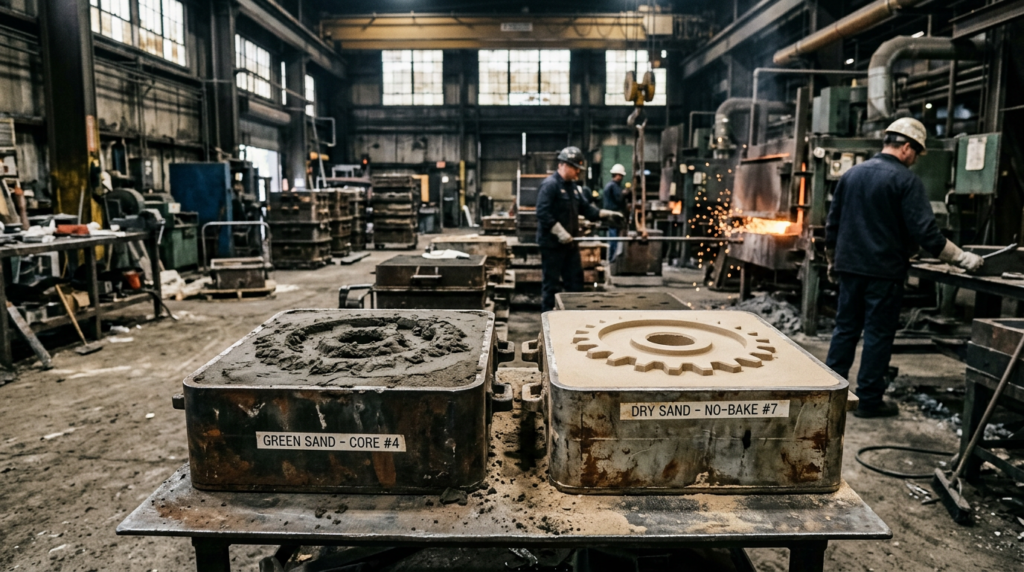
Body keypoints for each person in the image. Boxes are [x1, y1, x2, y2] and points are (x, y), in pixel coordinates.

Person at [824, 117, 984, 418]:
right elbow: (927, 234)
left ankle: (828, 399)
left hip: (850, 268)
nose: (915, 160)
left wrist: (833, 261)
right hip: (883, 272)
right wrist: (963, 258)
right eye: (917, 153)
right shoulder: (906, 180)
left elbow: (832, 224)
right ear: (907, 147)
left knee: (845, 330)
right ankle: (869, 401)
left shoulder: (852, 175)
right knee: (877, 335)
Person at [536, 146, 624, 312]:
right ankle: (547, 324)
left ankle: (573, 321)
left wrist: (608, 214)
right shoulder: (550, 185)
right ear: (563, 165)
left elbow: (587, 209)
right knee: (551, 286)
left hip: (570, 246)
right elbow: (542, 212)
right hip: (552, 246)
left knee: (576, 284)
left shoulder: (573, 188)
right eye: (576, 168)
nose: (578, 172)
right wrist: (560, 232)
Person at [603, 163, 628, 261]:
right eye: (621, 175)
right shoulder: (614, 186)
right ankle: (612, 260)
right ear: (617, 175)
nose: (621, 178)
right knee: (614, 239)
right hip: (614, 216)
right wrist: (625, 194)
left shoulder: (609, 185)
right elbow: (619, 200)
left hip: (611, 216)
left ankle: (612, 258)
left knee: (613, 238)